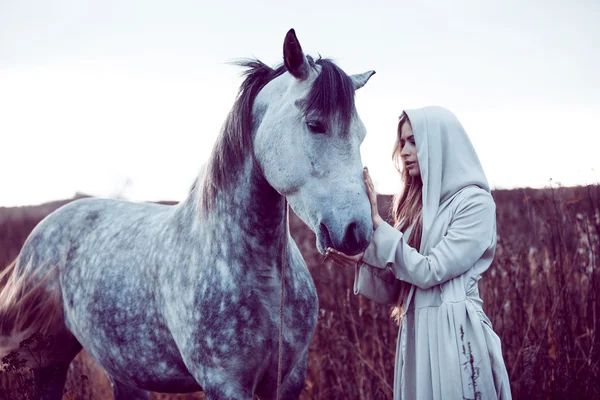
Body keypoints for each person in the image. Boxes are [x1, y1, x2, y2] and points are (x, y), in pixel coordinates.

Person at [326, 106, 511, 399]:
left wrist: (377, 224)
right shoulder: (417, 208)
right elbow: (402, 287)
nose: (406, 151)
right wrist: (363, 258)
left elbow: (430, 271)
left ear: (440, 143)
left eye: (414, 141)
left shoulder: (475, 203)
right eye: (403, 143)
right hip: (417, 334)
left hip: (455, 333)